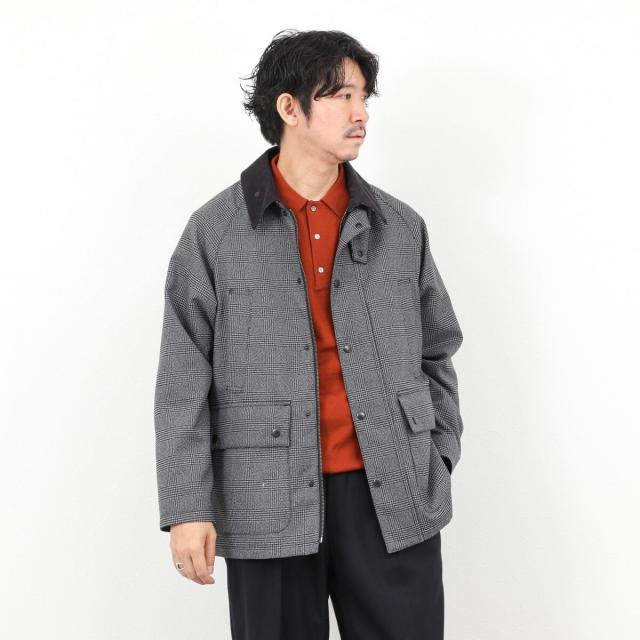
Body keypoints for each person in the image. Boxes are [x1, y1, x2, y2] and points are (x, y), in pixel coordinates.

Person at [154, 28, 464, 640]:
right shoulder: (215, 232)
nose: (361, 113)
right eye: (342, 96)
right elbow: (182, 378)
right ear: (289, 108)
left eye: (364, 96)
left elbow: (438, 349)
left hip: (393, 492)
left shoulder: (400, 228)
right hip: (264, 496)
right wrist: (188, 506)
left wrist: (438, 453)